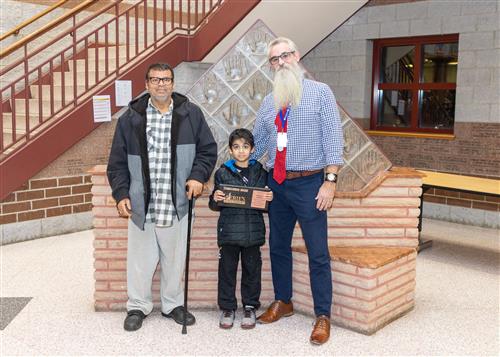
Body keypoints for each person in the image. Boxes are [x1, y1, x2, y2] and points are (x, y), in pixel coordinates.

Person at [107, 62, 217, 332]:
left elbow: (208, 151)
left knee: (175, 258)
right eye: (155, 79)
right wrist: (121, 193)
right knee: (141, 261)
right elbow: (117, 162)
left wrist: (198, 176)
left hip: (177, 203)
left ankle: (172, 305)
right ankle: (137, 306)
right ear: (146, 84)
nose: (161, 84)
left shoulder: (191, 114)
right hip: (142, 203)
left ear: (173, 83)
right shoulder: (130, 118)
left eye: (166, 79)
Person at [252, 37, 344, 345]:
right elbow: (259, 144)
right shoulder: (269, 101)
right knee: (277, 246)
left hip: (309, 183)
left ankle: (322, 315)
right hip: (276, 182)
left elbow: (333, 137)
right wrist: (234, 170)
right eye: (274, 60)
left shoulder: (320, 93)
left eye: (284, 56)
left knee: (318, 252)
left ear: (297, 55)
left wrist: (330, 181)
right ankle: (284, 301)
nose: (280, 63)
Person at [209, 128, 273, 330]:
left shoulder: (261, 173)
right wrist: (215, 199)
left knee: (252, 272)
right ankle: (228, 308)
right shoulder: (222, 173)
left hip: (253, 234)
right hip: (228, 234)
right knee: (226, 272)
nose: (241, 151)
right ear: (230, 150)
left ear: (252, 149)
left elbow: (267, 203)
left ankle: (250, 307)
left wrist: (270, 198)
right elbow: (214, 204)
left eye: (245, 147)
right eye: (236, 147)